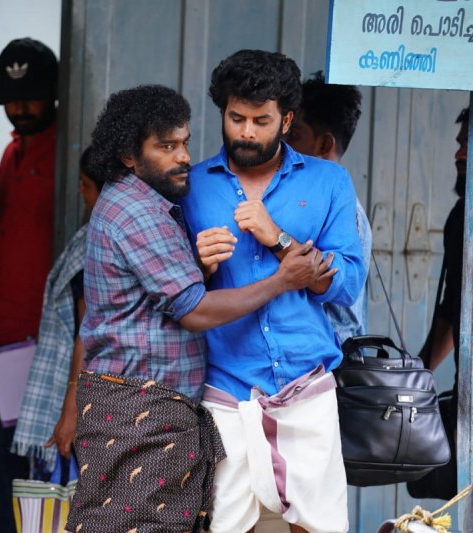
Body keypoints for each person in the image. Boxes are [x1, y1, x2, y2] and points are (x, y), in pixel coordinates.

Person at [68, 84, 326, 533]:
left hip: (147, 410)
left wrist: (202, 267)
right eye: (166, 147)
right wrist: (281, 281)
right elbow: (194, 311)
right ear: (129, 155)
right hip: (139, 413)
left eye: (185, 142)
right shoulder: (137, 211)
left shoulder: (143, 200)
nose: (184, 157)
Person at [181, 50, 365, 533]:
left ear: (286, 121)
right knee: (226, 526)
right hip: (225, 390)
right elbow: (177, 298)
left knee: (316, 528)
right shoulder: (192, 186)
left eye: (260, 121)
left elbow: (346, 284)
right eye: (235, 118)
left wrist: (278, 238)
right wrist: (199, 266)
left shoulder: (328, 181)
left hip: (307, 387)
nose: (246, 132)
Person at [0, 37, 58, 533]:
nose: (21, 108)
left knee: (36, 459)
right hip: (5, 337)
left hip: (44, 338)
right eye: (12, 99)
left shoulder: (68, 153)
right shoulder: (11, 153)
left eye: (31, 98)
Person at [10, 147, 101, 470]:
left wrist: (70, 410)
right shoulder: (93, 237)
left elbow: (85, 333)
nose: (79, 191)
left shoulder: (96, 244)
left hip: (84, 393)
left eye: (85, 184)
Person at [285, 72, 372, 343]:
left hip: (333, 358)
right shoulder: (305, 198)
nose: (282, 145)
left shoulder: (342, 210)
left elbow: (338, 307)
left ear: (324, 144)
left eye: (293, 134)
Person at [420, 107, 467, 374]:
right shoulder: (461, 217)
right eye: (460, 144)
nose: (459, 155)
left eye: (468, 145)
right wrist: (417, 374)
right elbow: (452, 308)